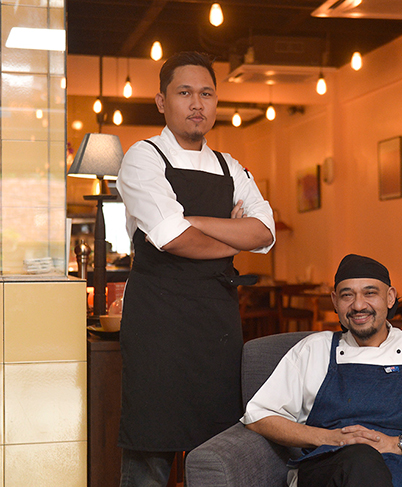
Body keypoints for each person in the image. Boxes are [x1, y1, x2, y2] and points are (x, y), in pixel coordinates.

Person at [116, 51, 275, 486]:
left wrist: (192, 220)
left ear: (216, 102)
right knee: (150, 448)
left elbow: (264, 233)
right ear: (161, 101)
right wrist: (232, 235)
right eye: (184, 93)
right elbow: (172, 238)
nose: (196, 104)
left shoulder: (230, 165)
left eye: (206, 94)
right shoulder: (143, 157)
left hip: (216, 321)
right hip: (158, 322)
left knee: (217, 447)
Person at [244, 254, 402, 487]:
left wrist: (400, 444)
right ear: (335, 301)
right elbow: (259, 415)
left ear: (390, 297)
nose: (358, 305)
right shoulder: (313, 350)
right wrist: (329, 438)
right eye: (347, 295)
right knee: (361, 460)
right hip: (328, 469)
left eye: (370, 293)